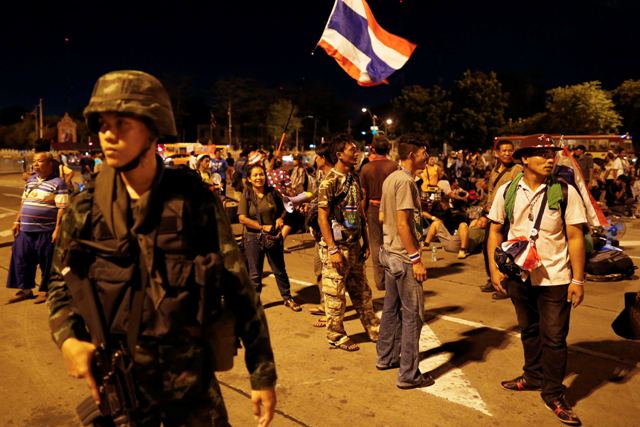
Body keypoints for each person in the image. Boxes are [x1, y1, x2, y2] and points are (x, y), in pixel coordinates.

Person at [47, 70, 277, 427]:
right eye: (103, 124)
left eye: (122, 123)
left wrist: (262, 373)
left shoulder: (193, 200)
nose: (108, 134)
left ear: (153, 130)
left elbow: (238, 286)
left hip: (192, 384)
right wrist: (68, 339)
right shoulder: (85, 208)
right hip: (122, 384)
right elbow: (60, 282)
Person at [487, 134, 587, 426]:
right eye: (542, 154)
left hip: (555, 276)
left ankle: (553, 393)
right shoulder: (507, 190)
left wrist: (578, 280)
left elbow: (575, 237)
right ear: (524, 159)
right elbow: (495, 230)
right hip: (520, 275)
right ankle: (532, 376)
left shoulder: (564, 191)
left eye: (551, 154)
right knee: (529, 330)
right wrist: (495, 270)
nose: (549, 159)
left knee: (554, 337)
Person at [376, 140, 434, 389]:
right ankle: (408, 375)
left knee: (391, 309)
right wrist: (416, 259)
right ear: (412, 154)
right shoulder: (406, 182)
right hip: (403, 257)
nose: (427, 156)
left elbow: (382, 216)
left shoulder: (391, 178)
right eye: (424, 152)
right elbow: (402, 223)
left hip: (390, 252)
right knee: (413, 316)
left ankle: (386, 357)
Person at [317, 134, 380, 352]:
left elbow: (359, 212)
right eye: (352, 150)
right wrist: (332, 249)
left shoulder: (353, 178)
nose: (357, 153)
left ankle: (373, 328)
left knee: (362, 292)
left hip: (354, 246)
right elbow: (322, 217)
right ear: (339, 155)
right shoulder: (329, 182)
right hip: (337, 248)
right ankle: (336, 335)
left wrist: (366, 241)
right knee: (335, 296)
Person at [7, 151, 68, 304]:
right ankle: (25, 290)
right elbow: (24, 202)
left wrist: (57, 229)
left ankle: (46, 291)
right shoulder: (31, 181)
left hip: (46, 230)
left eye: (39, 161)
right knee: (21, 258)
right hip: (25, 229)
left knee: (47, 261)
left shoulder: (58, 183)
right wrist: (17, 222)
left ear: (50, 163)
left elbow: (62, 208)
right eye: (34, 161)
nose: (35, 164)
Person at [238, 164, 301, 312]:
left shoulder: (272, 192)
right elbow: (242, 218)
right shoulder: (246, 194)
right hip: (253, 238)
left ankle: (287, 298)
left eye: (261, 174)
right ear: (249, 179)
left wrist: (280, 218)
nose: (259, 178)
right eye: (255, 175)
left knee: (279, 270)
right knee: (255, 274)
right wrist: (261, 227)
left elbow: (286, 208)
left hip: (272, 238)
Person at [480, 139, 523, 298]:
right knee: (488, 248)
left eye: (510, 150)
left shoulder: (517, 170)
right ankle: (493, 278)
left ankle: (505, 284)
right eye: (503, 150)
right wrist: (486, 208)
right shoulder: (495, 170)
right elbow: (491, 191)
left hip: (507, 217)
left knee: (506, 251)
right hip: (493, 215)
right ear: (497, 153)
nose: (507, 153)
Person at [359, 134, 398, 290]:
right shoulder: (394, 166)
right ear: (388, 149)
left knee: (376, 245)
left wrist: (361, 215)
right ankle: (393, 278)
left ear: (373, 149)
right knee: (392, 244)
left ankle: (380, 281)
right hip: (391, 208)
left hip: (373, 209)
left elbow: (363, 195)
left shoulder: (366, 168)